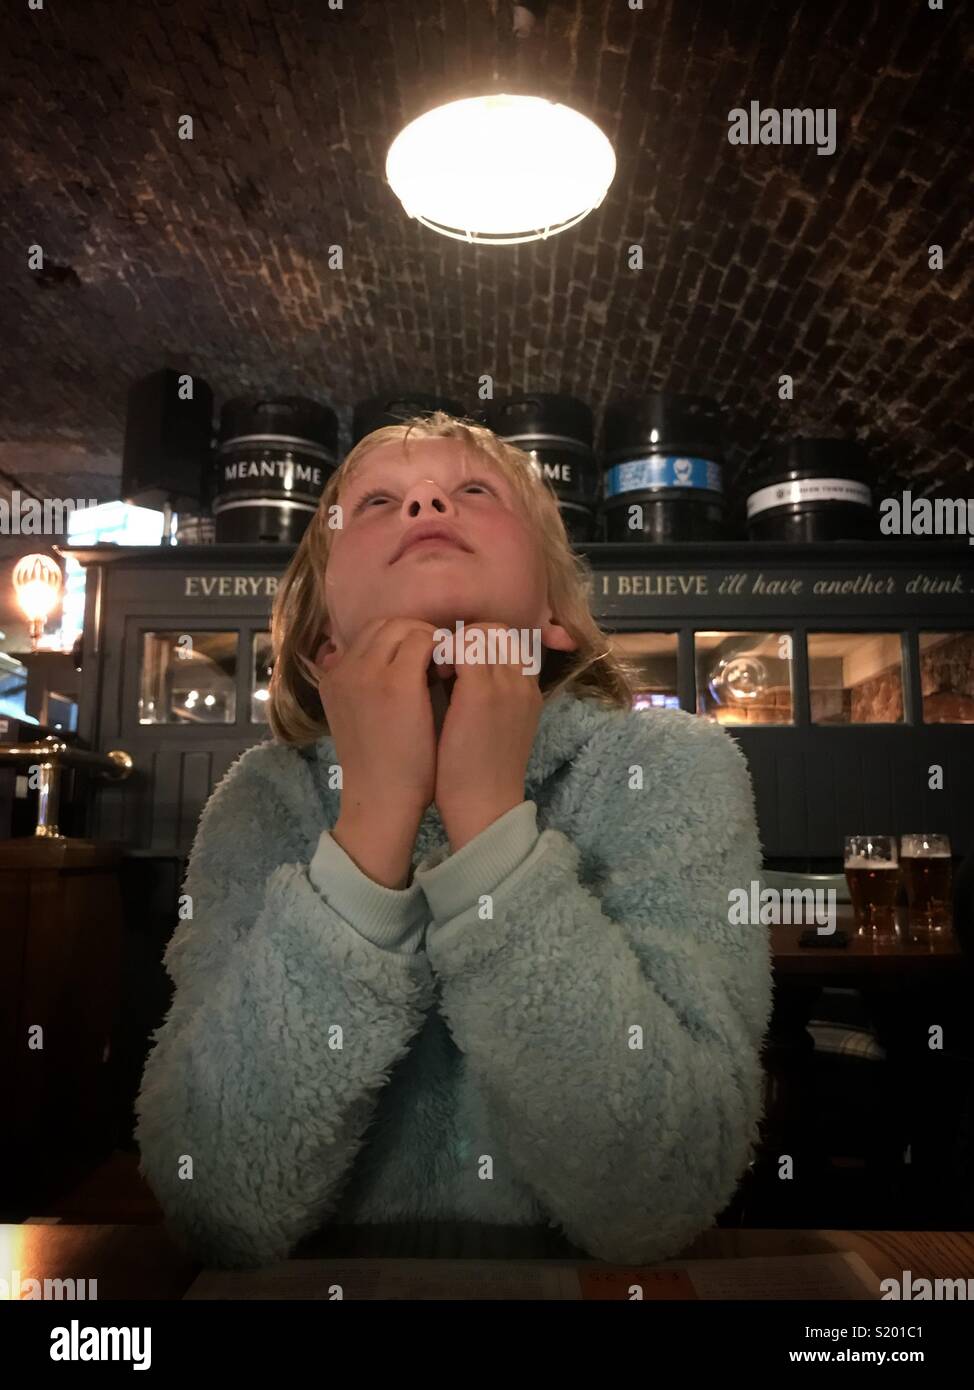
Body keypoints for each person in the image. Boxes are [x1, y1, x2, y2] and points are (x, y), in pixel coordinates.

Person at [135, 412, 773, 1270]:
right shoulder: (261, 799)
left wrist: (487, 823)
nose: (429, 499)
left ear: (552, 608)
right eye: (375, 504)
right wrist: (374, 819)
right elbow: (214, 1199)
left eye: (474, 491)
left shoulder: (669, 769)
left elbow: (659, 1202)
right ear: (325, 636)